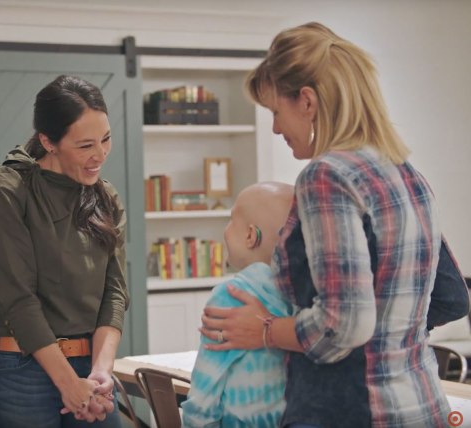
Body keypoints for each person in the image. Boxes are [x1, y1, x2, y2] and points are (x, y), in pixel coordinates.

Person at [199, 22, 469, 428]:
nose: (275, 127)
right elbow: (452, 297)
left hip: (350, 413)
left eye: (276, 111)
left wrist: (266, 330)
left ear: (306, 101)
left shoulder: (326, 176)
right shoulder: (407, 174)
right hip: (422, 405)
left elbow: (341, 326)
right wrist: (386, 338)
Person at [0, 75, 128, 427]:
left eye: (106, 139)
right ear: (48, 141)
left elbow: (115, 293)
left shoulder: (106, 197)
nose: (99, 154)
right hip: (20, 373)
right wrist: (68, 383)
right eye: (85, 145)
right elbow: (18, 299)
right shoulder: (5, 190)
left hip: (90, 368)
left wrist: (101, 373)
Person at [182, 182, 294, 428]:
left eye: (231, 220)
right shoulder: (303, 299)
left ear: (250, 235)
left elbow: (206, 389)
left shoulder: (232, 297)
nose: (225, 230)